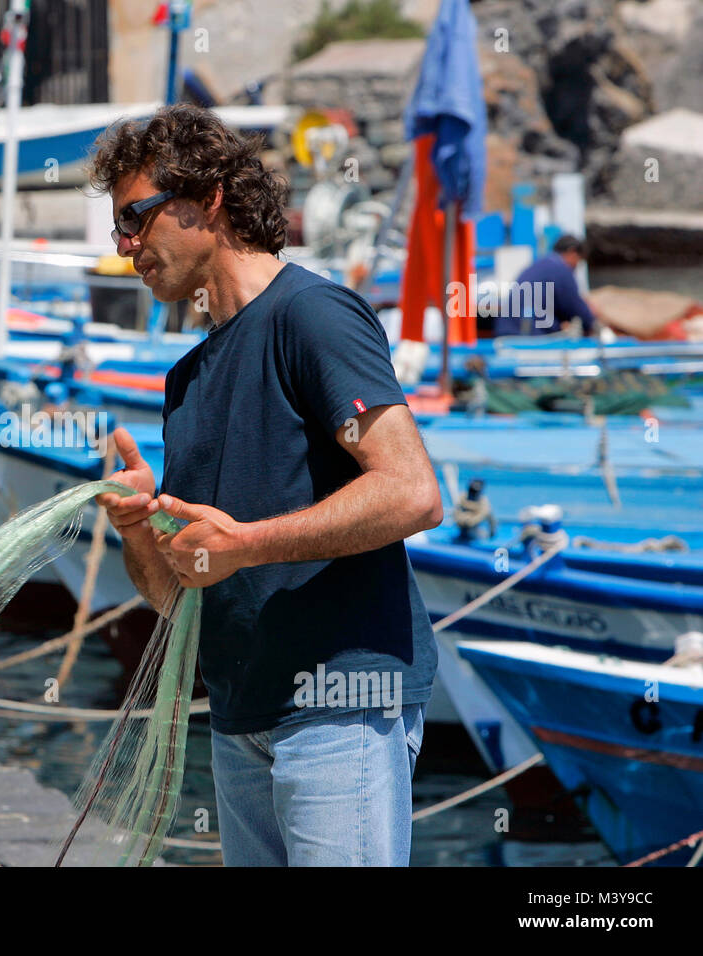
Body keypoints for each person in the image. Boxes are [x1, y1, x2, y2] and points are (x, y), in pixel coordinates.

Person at [89, 104, 443, 866]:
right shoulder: (187, 378)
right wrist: (139, 528)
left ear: (208, 198)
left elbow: (413, 491)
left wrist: (247, 544)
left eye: (136, 219)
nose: (125, 248)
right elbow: (180, 591)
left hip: (338, 709)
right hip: (239, 715)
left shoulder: (311, 316)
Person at [493, 234, 599, 336]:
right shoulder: (561, 269)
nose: (577, 266)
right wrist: (594, 323)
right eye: (578, 260)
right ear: (572, 252)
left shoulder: (541, 265)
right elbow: (575, 306)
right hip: (526, 335)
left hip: (507, 330)